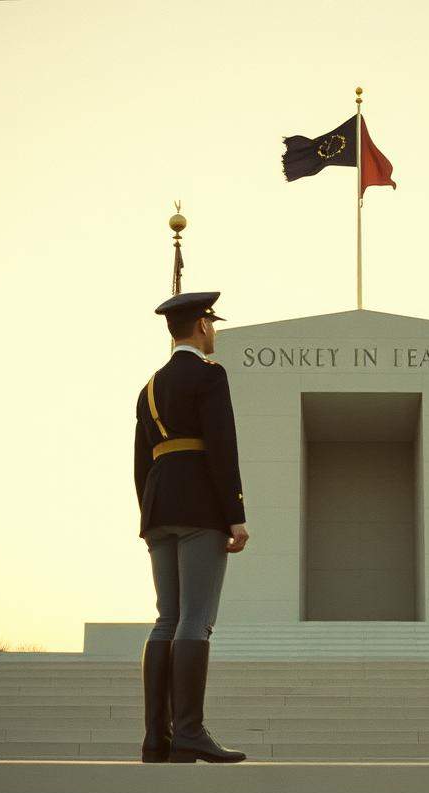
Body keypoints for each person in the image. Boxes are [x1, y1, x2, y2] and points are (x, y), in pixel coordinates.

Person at [134, 290, 249, 765]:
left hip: (159, 510)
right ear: (201, 326)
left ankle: (156, 739)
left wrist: (150, 511)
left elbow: (141, 461)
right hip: (201, 508)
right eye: (212, 323)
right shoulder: (209, 375)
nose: (214, 331)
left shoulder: (150, 387)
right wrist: (235, 513)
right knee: (196, 620)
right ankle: (189, 732)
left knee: (168, 617)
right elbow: (221, 444)